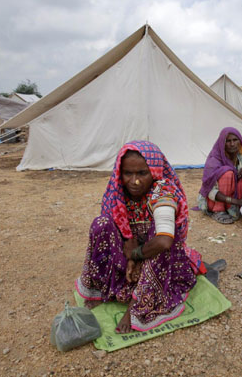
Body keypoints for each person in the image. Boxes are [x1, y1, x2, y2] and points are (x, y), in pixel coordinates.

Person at [76, 141, 206, 333]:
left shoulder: (163, 191)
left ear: (153, 172)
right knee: (101, 225)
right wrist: (130, 259)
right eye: (128, 173)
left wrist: (136, 255)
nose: (134, 181)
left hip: (160, 262)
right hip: (131, 256)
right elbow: (118, 235)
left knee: (160, 237)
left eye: (142, 173)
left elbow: (163, 241)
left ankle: (137, 304)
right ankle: (100, 289)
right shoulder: (117, 191)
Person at [198, 127, 242, 224]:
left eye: (235, 140)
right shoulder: (214, 160)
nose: (232, 144)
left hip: (233, 199)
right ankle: (219, 211)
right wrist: (237, 201)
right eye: (228, 141)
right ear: (222, 143)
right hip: (213, 201)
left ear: (240, 141)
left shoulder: (239, 157)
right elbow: (210, 191)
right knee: (227, 173)